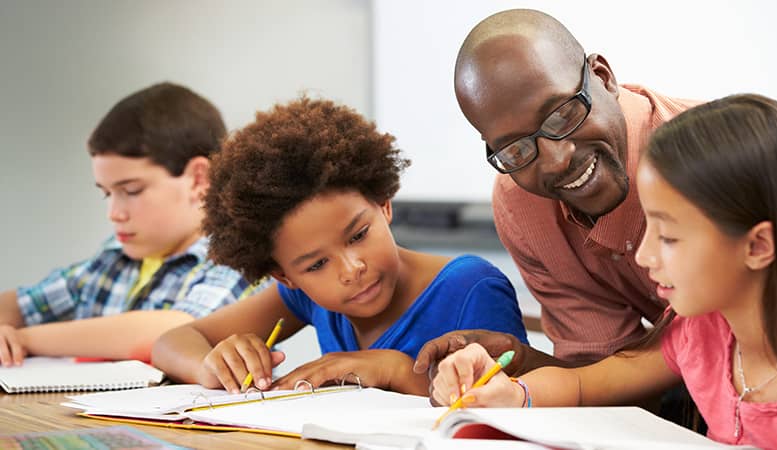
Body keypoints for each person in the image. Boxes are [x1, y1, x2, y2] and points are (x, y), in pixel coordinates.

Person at [413, 8, 777, 377]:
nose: (556, 159)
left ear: (602, 76)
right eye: (517, 148)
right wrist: (522, 363)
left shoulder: (756, 167)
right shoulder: (524, 207)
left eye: (563, 115)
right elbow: (607, 371)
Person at [430, 94, 777, 450]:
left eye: (670, 237)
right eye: (648, 226)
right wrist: (517, 397)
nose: (645, 255)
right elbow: (583, 382)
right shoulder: (705, 334)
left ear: (758, 245)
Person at [151, 97, 529, 396]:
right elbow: (173, 341)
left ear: (383, 203)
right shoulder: (303, 297)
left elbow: (508, 401)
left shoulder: (470, 287)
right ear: (285, 275)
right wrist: (212, 365)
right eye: (316, 265)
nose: (351, 269)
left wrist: (393, 369)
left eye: (358, 235)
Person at [0, 82, 261, 366]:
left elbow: (174, 332)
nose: (114, 213)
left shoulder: (235, 259)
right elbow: (25, 304)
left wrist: (24, 339)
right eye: (106, 193)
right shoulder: (114, 257)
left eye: (132, 191)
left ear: (198, 178)